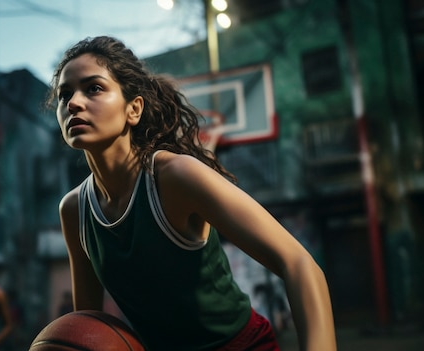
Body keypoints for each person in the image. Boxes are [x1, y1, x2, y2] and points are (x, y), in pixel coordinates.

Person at [49, 36, 337, 351]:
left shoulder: (175, 177)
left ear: (134, 109)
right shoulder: (74, 209)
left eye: (93, 88)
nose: (73, 102)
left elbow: (298, 264)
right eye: (65, 95)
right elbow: (86, 326)